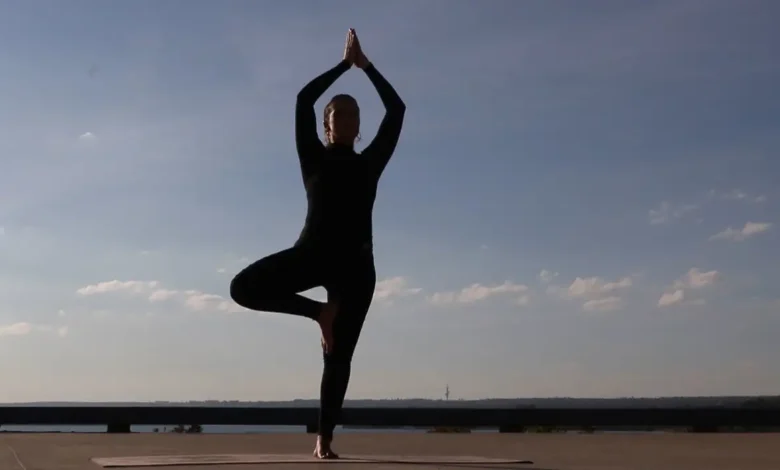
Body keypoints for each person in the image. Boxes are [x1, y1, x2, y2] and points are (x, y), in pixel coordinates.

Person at [229, 29, 406, 459]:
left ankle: (324, 439)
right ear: (327, 126)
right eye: (339, 114)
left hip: (356, 269)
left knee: (338, 358)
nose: (346, 119)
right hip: (312, 254)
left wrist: (367, 67)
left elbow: (397, 109)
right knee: (243, 288)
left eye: (352, 115)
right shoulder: (313, 156)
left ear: (359, 127)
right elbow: (302, 99)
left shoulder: (370, 163)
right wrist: (344, 66)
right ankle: (319, 313)